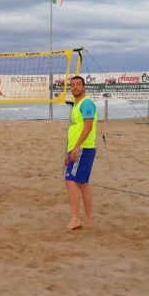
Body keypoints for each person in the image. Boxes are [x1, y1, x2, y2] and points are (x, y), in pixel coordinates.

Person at [64, 75, 96, 230]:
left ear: (84, 87)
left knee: (70, 181)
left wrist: (76, 147)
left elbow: (88, 127)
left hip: (83, 148)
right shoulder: (76, 106)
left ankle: (75, 218)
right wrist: (67, 152)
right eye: (72, 85)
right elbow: (73, 131)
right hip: (78, 148)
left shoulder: (86, 103)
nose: (75, 87)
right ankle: (89, 219)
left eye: (78, 84)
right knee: (82, 184)